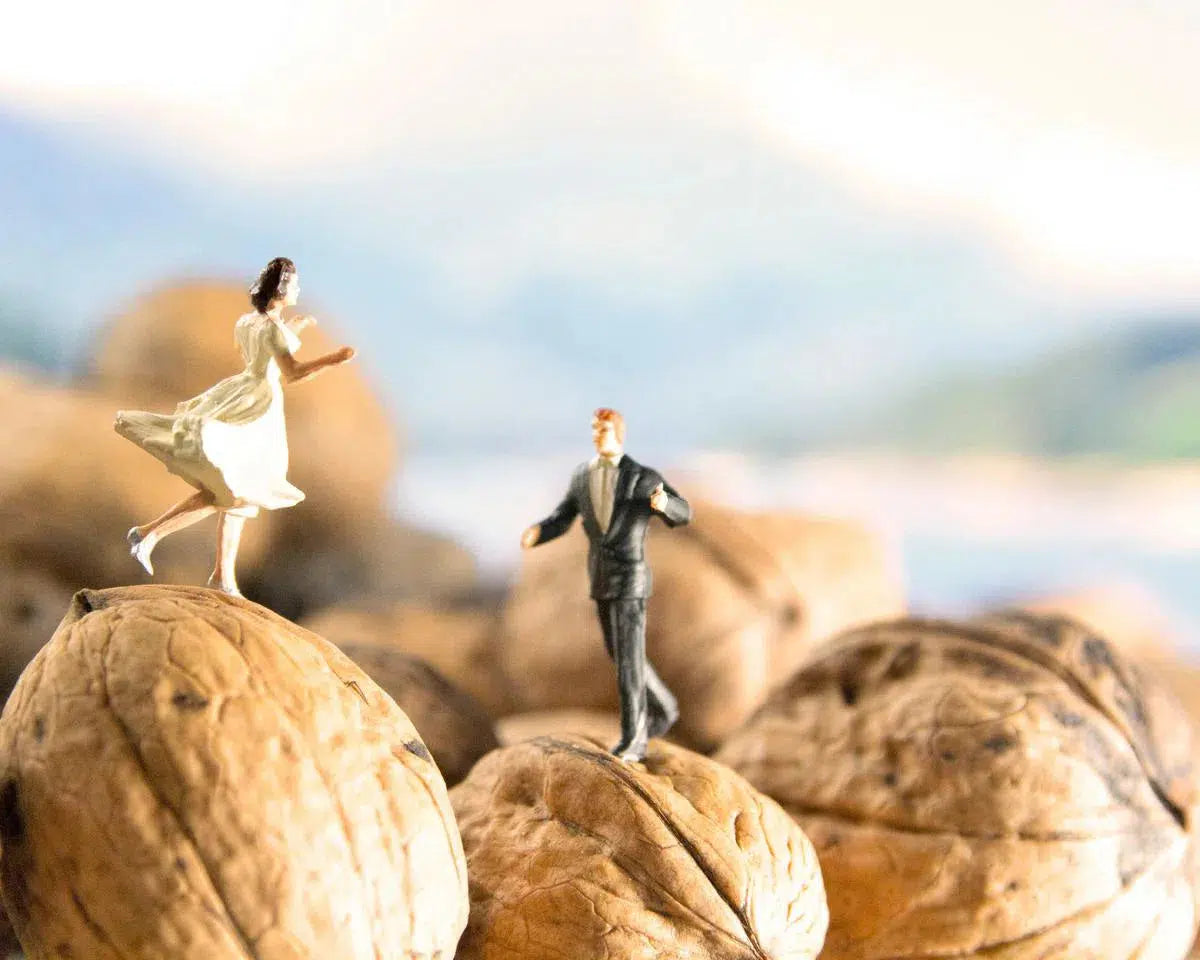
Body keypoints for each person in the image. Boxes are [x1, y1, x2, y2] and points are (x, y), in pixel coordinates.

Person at [114, 257, 355, 596]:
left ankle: (220, 575)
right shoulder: (271, 329)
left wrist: (295, 329)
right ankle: (150, 535)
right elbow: (293, 373)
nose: (299, 289)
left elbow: (263, 348)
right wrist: (334, 359)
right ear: (282, 289)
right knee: (232, 493)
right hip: (258, 406)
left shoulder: (247, 321)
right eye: (295, 285)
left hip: (242, 392)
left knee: (240, 495)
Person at [521, 407, 692, 762]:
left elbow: (683, 511)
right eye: (594, 428)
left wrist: (664, 504)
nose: (597, 434)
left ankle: (635, 737)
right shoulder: (583, 477)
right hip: (599, 576)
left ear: (619, 432)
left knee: (629, 661)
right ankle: (665, 705)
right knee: (620, 655)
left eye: (603, 428)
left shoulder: (642, 477)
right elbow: (562, 518)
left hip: (630, 578)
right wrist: (540, 532)